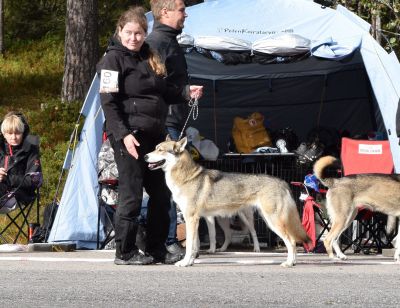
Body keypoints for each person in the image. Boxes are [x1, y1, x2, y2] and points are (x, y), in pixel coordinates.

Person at [97, 6, 202, 265]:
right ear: (120, 31)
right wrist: (123, 135)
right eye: (129, 33)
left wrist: (187, 92)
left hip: (155, 137)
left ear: (145, 33)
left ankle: (157, 248)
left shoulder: (150, 56)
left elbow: (164, 91)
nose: (134, 38)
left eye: (139, 33)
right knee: (131, 194)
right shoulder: (111, 60)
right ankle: (125, 251)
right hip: (129, 136)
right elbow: (108, 103)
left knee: (161, 194)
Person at [146, 0, 203, 255]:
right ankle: (167, 242)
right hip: (166, 120)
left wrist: (186, 93)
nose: (185, 13)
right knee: (171, 183)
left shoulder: (169, 40)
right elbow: (155, 86)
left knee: (172, 183)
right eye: (181, 9)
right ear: (165, 12)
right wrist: (181, 94)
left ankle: (166, 241)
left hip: (174, 118)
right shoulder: (157, 42)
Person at [0, 112, 42, 213]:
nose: (14, 137)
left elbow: (35, 180)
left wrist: (8, 178)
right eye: (10, 133)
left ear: (23, 133)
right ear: (4, 134)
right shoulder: (1, 147)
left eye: (17, 133)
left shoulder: (31, 149)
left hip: (20, 193)